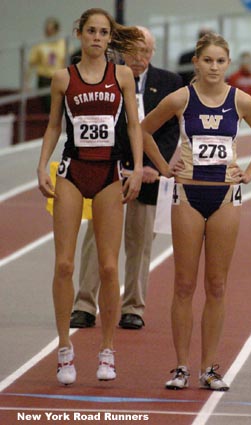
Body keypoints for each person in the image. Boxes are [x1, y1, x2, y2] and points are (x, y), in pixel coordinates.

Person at [140, 32, 251, 391]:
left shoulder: (241, 101)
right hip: (187, 194)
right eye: (208, 60)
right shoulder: (181, 98)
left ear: (227, 64)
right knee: (184, 284)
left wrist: (250, 171)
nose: (214, 67)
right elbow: (143, 130)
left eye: (220, 61)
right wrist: (163, 167)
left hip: (226, 197)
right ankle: (181, 366)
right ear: (196, 63)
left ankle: (210, 368)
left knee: (216, 285)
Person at [36, 8, 144, 385]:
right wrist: (40, 165)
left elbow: (133, 124)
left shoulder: (124, 76)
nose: (97, 38)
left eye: (103, 32)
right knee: (64, 264)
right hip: (72, 170)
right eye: (91, 31)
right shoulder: (63, 78)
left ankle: (107, 350)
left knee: (109, 267)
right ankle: (65, 348)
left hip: (110, 174)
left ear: (109, 38)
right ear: (79, 34)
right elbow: (53, 126)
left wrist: (137, 168)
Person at [69, 26, 183, 330]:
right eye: (134, 51)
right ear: (121, 51)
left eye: (146, 51)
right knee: (97, 240)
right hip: (109, 173)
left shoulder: (169, 83)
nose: (140, 58)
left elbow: (171, 131)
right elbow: (103, 125)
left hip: (147, 177)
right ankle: (84, 304)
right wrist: (122, 166)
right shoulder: (107, 79)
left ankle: (133, 307)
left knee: (140, 243)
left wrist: (150, 167)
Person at [25, 17, 66, 113]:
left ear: (56, 31)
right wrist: (26, 83)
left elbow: (67, 63)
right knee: (49, 105)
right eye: (47, 30)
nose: (49, 33)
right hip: (45, 79)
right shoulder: (40, 45)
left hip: (58, 78)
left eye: (51, 30)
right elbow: (31, 64)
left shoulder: (63, 44)